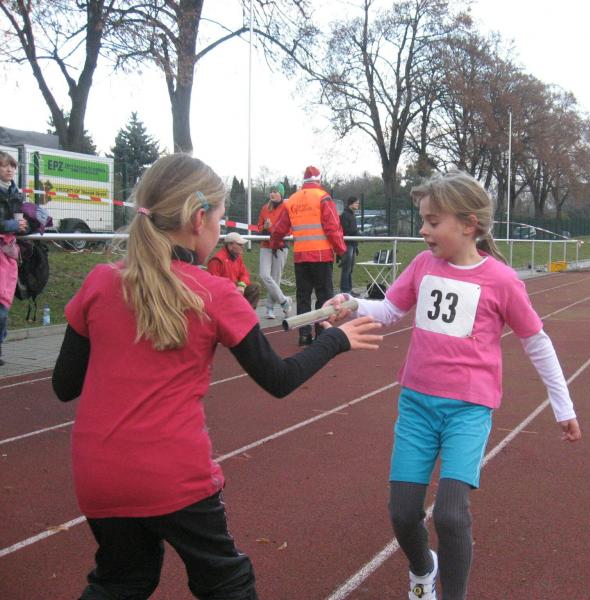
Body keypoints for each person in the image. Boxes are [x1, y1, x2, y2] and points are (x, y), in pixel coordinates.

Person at [50, 154, 382, 600]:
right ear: (198, 219)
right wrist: (335, 339)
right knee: (227, 584)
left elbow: (64, 386)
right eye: (221, 219)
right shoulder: (215, 293)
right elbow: (278, 379)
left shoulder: (99, 281)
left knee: (122, 582)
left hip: (97, 473)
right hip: (174, 472)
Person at [325, 171, 581, 600]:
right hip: (417, 405)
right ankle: (423, 567)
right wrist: (350, 304)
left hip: (468, 410)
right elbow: (389, 310)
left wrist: (563, 406)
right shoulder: (422, 265)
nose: (423, 230)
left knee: (450, 514)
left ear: (468, 224)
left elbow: (536, 342)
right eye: (423, 220)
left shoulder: (501, 280)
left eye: (432, 221)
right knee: (402, 512)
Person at [270, 165, 346, 346]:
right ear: (319, 180)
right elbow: (332, 228)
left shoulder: (292, 200)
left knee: (303, 297)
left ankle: (304, 335)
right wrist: (341, 250)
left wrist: (275, 243)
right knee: (324, 296)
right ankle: (322, 332)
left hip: (301, 256)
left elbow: (279, 228)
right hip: (321, 256)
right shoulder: (323, 197)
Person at [0, 151, 29, 366]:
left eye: (12, 166)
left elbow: (20, 223)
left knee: (4, 303)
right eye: (4, 166)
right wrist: (12, 225)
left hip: (9, 253)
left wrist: (28, 223)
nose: (9, 170)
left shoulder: (16, 193)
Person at [256, 183, 292, 319]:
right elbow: (258, 227)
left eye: (275, 191)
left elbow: (289, 229)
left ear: (281, 194)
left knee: (275, 278)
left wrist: (272, 228)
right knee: (264, 275)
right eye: (271, 191)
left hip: (280, 246)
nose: (272, 194)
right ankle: (284, 301)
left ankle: (269, 308)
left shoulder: (287, 207)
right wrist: (264, 227)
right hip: (266, 245)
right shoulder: (265, 208)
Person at [338, 195, 360, 295]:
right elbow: (345, 230)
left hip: (352, 244)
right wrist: (356, 233)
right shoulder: (345, 215)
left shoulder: (352, 214)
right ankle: (345, 290)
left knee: (350, 269)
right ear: (351, 203)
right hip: (347, 244)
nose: (358, 205)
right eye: (356, 203)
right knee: (346, 268)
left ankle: (349, 289)